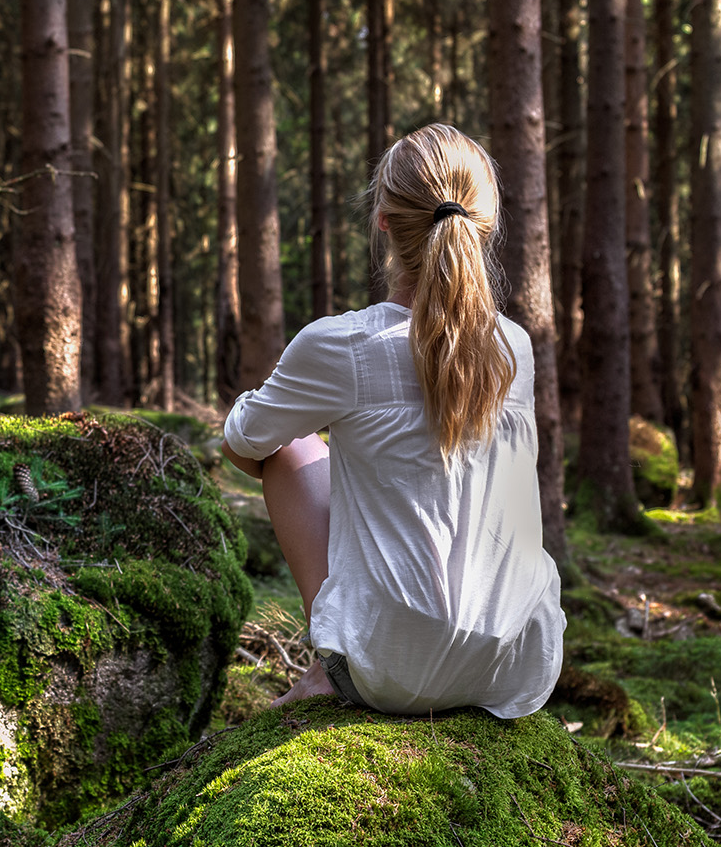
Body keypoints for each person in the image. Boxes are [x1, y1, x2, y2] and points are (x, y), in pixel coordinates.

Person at [221, 123, 564, 717]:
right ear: (483, 223)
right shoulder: (515, 347)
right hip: (517, 665)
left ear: (382, 220)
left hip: (390, 672)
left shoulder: (342, 345)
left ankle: (331, 664)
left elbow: (243, 442)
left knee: (291, 446)